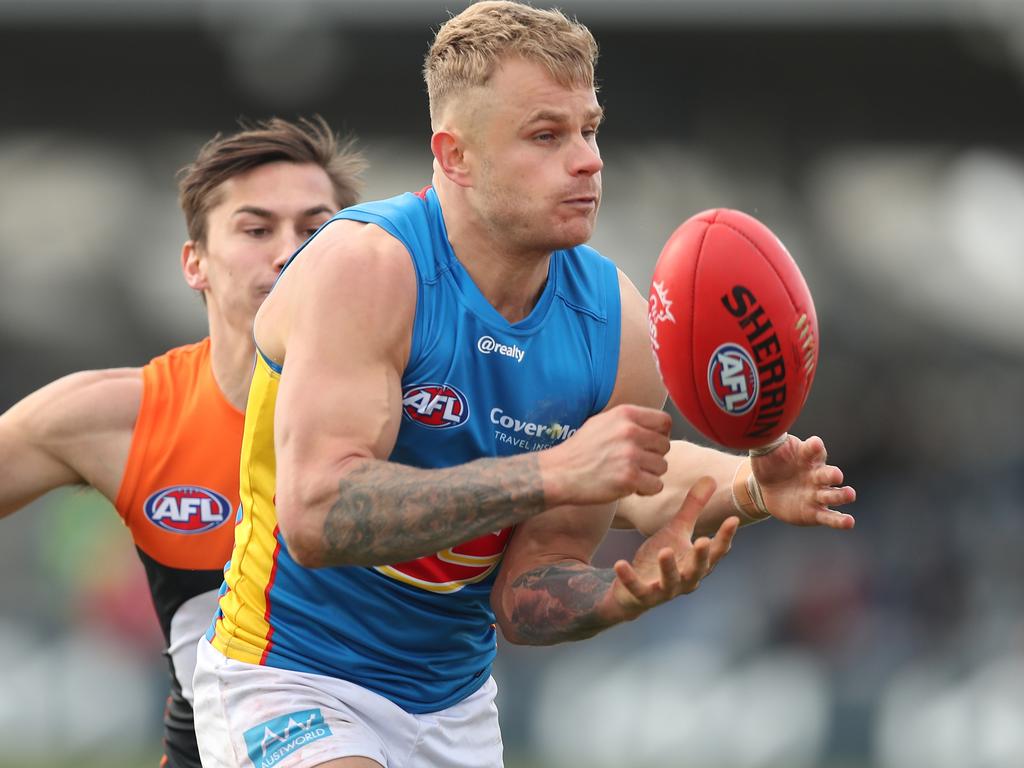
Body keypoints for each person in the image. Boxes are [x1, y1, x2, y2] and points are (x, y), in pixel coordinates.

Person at [193, 4, 856, 767]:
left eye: (590, 129)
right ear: (456, 156)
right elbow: (317, 518)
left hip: (454, 709)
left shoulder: (620, 329)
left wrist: (620, 591)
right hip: (290, 677)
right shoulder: (368, 269)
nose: (588, 161)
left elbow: (526, 598)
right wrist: (551, 471)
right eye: (547, 136)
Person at [0, 116, 365, 768]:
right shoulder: (118, 417)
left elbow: (586, 472)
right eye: (256, 230)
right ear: (195, 263)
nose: (290, 252)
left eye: (316, 230)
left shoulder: (432, 411)